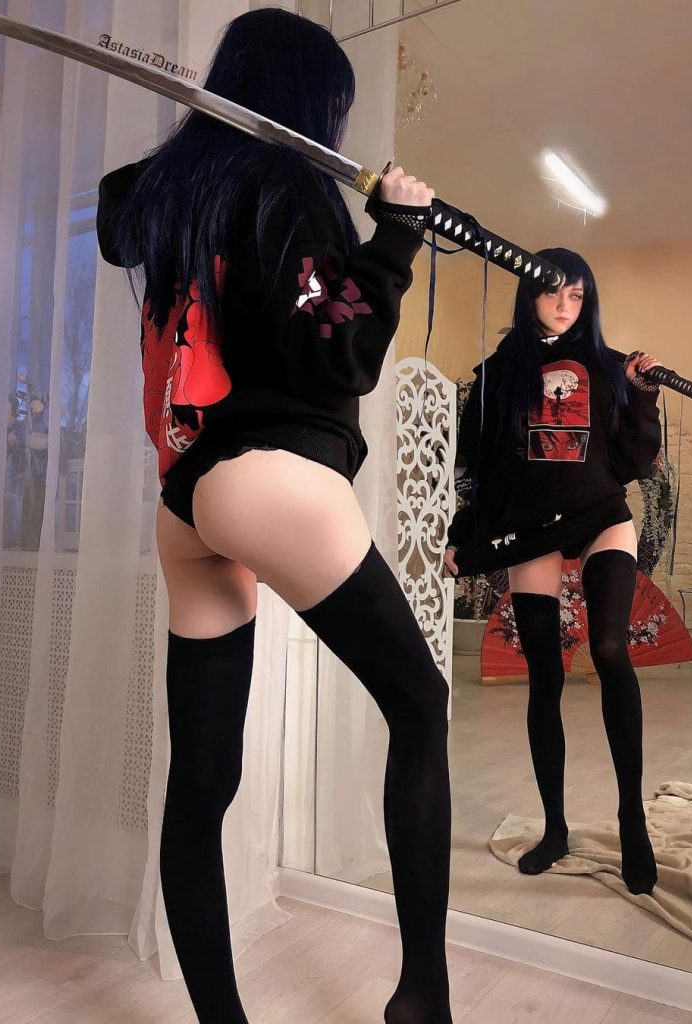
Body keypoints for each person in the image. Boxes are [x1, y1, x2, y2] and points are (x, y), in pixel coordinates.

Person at [97, 9, 453, 1023]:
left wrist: (199, 140)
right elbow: (341, 353)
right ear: (309, 104)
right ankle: (422, 998)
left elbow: (119, 213)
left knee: (202, 782)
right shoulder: (284, 184)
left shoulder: (184, 193)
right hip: (269, 474)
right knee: (420, 703)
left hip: (187, 500)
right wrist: (397, 234)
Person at [443, 248, 663, 896]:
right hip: (531, 528)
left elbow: (635, 461)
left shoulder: (607, 366)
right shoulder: (497, 375)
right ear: (528, 294)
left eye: (576, 295)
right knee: (545, 675)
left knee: (610, 648)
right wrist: (461, 533)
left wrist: (642, 396)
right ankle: (555, 828)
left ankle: (632, 822)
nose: (564, 305)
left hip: (600, 515)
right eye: (552, 292)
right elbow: (474, 465)